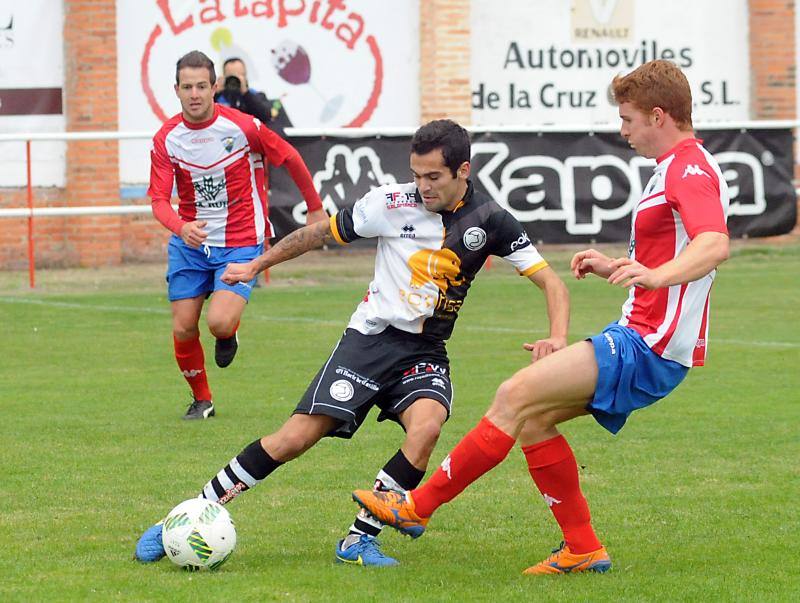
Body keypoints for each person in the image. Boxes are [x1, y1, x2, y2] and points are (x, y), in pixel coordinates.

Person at [352, 59, 731, 575]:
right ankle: (582, 548)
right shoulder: (673, 169)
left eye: (628, 119)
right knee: (533, 422)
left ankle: (416, 506)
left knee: (514, 394)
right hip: (644, 334)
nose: (622, 131)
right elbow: (677, 251)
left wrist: (659, 277)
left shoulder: (688, 167)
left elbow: (713, 244)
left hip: (651, 343)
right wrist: (618, 268)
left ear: (659, 116)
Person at [135, 119, 570, 566]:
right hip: (368, 342)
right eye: (416, 175)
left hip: (424, 352)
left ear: (464, 170)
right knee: (293, 440)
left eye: (433, 177)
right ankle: (184, 516)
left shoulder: (490, 220)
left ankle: (358, 540)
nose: (421, 186)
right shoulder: (388, 202)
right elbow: (318, 233)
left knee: (427, 428)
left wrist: (557, 338)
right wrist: (256, 265)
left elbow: (552, 283)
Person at [149, 50, 326, 420]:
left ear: (214, 87)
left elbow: (290, 157)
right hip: (190, 244)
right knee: (183, 327)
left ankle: (228, 334)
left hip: (241, 239)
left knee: (218, 322)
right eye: (187, 87)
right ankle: (202, 400)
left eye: (201, 86)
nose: (194, 94)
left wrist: (314, 207)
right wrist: (181, 228)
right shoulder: (167, 139)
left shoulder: (243, 127)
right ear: (176, 90)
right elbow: (159, 202)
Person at [215, 57, 293, 138]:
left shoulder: (255, 96)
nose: (236, 80)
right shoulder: (218, 98)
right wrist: (215, 93)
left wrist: (245, 93)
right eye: (231, 77)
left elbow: (265, 116)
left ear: (245, 76)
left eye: (240, 75)